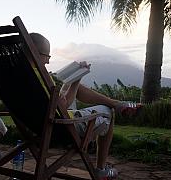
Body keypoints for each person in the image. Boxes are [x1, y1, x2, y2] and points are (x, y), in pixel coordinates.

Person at [30, 33, 141, 179]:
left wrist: (72, 83)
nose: (48, 62)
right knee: (108, 112)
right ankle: (101, 169)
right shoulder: (39, 74)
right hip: (59, 127)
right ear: (34, 52)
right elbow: (63, 106)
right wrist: (77, 78)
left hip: (32, 126)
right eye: (47, 56)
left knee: (70, 85)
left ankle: (118, 104)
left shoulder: (16, 73)